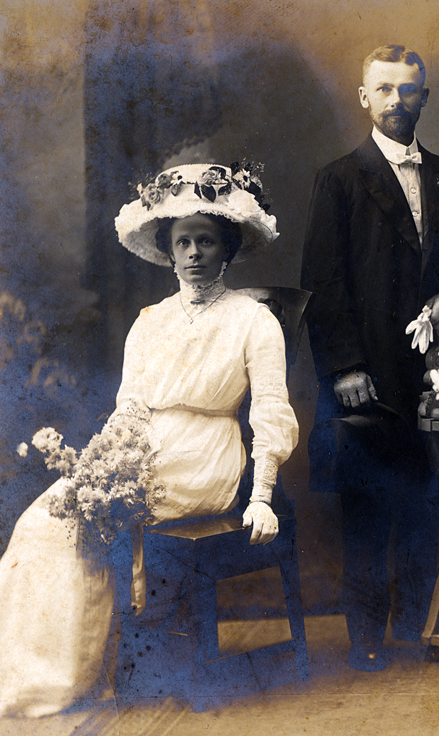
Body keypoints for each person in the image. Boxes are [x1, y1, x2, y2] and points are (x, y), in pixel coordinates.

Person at [0, 163, 298, 717]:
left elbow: (273, 410)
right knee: (46, 518)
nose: (192, 253)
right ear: (167, 249)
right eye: (182, 241)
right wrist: (98, 465)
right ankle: (52, 671)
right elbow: (130, 407)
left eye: (205, 241)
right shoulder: (150, 321)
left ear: (227, 247)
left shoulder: (254, 320)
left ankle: (120, 659)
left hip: (208, 454)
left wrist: (261, 495)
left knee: (107, 520)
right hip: (143, 446)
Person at [300, 45, 439, 671]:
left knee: (427, 499)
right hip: (367, 368)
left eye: (410, 89)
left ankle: (418, 626)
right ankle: (367, 634)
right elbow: (322, 280)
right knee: (368, 507)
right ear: (365, 97)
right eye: (386, 89)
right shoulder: (340, 179)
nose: (398, 100)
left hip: (436, 372)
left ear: (425, 96)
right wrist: (343, 367)